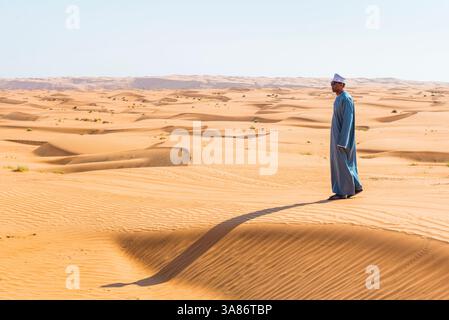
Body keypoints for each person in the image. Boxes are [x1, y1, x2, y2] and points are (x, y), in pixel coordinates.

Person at [328, 74, 363, 200]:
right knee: (342, 163)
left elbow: (348, 120)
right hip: (337, 137)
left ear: (342, 85)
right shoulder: (338, 98)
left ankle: (342, 192)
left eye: (335, 83)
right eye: (332, 83)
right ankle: (356, 187)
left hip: (343, 139)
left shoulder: (346, 98)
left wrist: (343, 140)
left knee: (343, 164)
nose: (332, 85)